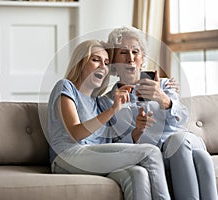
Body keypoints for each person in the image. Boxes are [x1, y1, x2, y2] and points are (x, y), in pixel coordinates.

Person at [99, 26, 218, 200]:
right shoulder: (108, 101)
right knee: (202, 158)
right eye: (123, 53)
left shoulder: (163, 85)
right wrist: (135, 133)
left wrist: (164, 100)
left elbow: (183, 120)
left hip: (184, 144)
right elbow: (112, 143)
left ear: (142, 58)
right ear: (114, 61)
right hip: (157, 157)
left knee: (178, 139)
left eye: (135, 52)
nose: (131, 59)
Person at [47, 40, 171, 200]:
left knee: (137, 173)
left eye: (106, 63)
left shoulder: (97, 102)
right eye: (95, 59)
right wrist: (112, 110)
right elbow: (75, 133)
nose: (102, 67)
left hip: (94, 157)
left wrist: (137, 131)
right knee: (150, 152)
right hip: (67, 155)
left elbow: (108, 142)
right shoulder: (65, 87)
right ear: (80, 62)